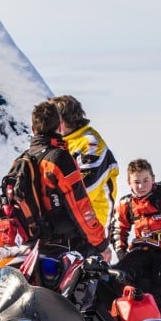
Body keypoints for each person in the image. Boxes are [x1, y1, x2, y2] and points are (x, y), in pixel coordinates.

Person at [19, 101, 112, 262]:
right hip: (67, 243)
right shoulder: (60, 158)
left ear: (33, 129)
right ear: (58, 127)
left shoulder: (23, 159)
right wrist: (101, 245)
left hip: (35, 242)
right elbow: (80, 206)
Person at [110, 158, 161, 316]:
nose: (141, 186)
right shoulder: (125, 203)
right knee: (118, 277)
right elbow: (117, 230)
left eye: (145, 180)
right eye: (137, 181)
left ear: (153, 178)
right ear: (129, 182)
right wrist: (121, 252)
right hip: (140, 253)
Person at [51, 95, 119, 229]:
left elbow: (84, 189)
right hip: (68, 223)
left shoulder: (91, 144)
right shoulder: (62, 142)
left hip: (93, 225)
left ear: (61, 121)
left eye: (51, 119)